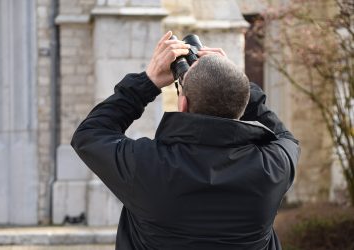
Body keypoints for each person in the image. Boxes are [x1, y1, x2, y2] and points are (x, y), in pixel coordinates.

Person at [71, 31, 300, 250]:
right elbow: (285, 137)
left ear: (183, 104)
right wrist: (234, 82)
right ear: (243, 105)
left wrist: (147, 82)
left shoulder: (146, 165)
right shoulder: (272, 168)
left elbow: (90, 134)